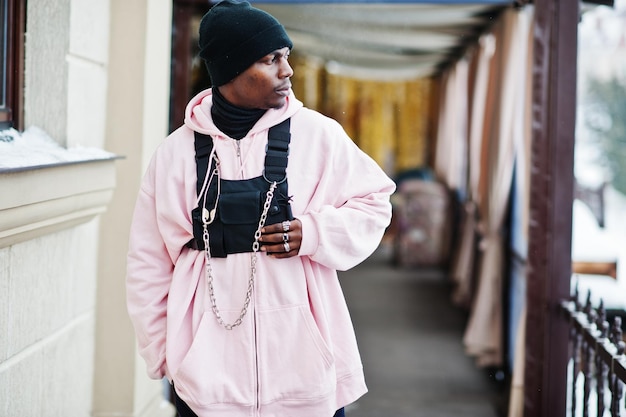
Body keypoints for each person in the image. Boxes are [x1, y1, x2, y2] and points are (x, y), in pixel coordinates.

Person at [125, 1, 395, 416]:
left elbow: (374, 202)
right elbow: (148, 262)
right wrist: (165, 351)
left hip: (305, 373)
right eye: (271, 60)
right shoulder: (173, 155)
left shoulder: (319, 135)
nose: (287, 71)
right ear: (232, 70)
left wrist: (316, 233)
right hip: (206, 382)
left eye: (286, 58)